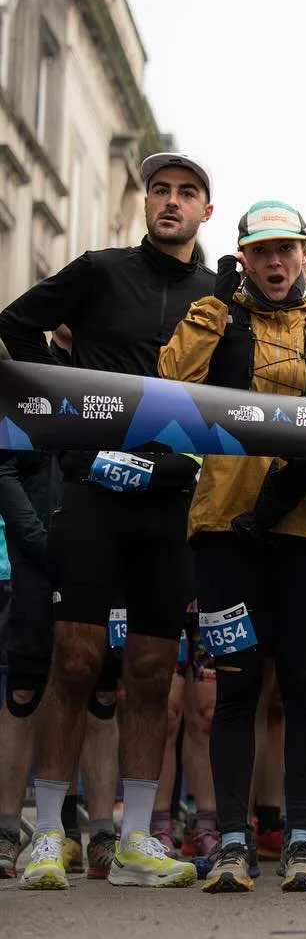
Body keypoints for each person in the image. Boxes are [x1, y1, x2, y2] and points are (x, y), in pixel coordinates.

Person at [0, 152, 215, 890]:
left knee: (153, 672)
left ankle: (132, 840)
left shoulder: (218, 296)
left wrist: (189, 469)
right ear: (145, 202)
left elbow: (235, 395)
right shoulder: (98, 270)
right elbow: (17, 326)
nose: (171, 201)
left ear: (205, 213)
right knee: (77, 659)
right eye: (160, 189)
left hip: (170, 499)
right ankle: (47, 837)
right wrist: (64, 429)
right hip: (91, 487)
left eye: (187, 193)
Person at [158, 199, 306, 893]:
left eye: (289, 250)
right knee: (236, 688)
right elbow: (168, 387)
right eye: (263, 251)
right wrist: (212, 307)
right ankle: (230, 842)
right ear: (243, 256)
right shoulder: (216, 312)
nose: (277, 262)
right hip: (227, 528)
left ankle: (305, 842)